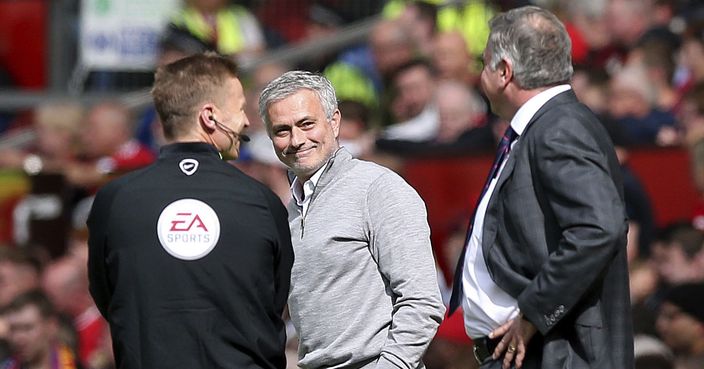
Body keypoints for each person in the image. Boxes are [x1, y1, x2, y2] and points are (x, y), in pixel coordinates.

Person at [447, 6, 632, 369]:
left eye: (483, 64)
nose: (479, 75)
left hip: (551, 354)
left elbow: (599, 228)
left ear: (504, 72)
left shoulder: (559, 128)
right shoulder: (548, 125)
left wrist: (535, 311)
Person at [87, 52, 294, 369]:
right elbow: (277, 299)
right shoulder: (261, 201)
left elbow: (107, 295)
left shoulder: (115, 200)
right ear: (210, 117)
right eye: (240, 109)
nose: (247, 121)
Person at [259, 70, 445, 369]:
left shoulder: (379, 188)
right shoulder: (291, 207)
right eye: (282, 130)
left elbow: (422, 302)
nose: (296, 139)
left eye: (307, 124)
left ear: (334, 122)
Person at [1, 290, 80, 369]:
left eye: (27, 328)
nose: (18, 337)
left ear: (51, 327)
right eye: (13, 329)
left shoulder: (75, 365)